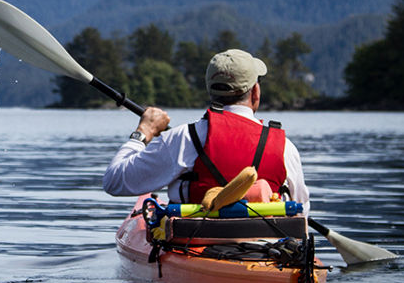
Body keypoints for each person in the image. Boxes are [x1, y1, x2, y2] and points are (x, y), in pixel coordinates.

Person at [103, 49, 309, 214]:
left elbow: (114, 181)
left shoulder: (183, 138)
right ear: (255, 92)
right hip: (268, 251)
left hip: (193, 246)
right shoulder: (284, 147)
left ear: (211, 91)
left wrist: (144, 131)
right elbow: (301, 212)